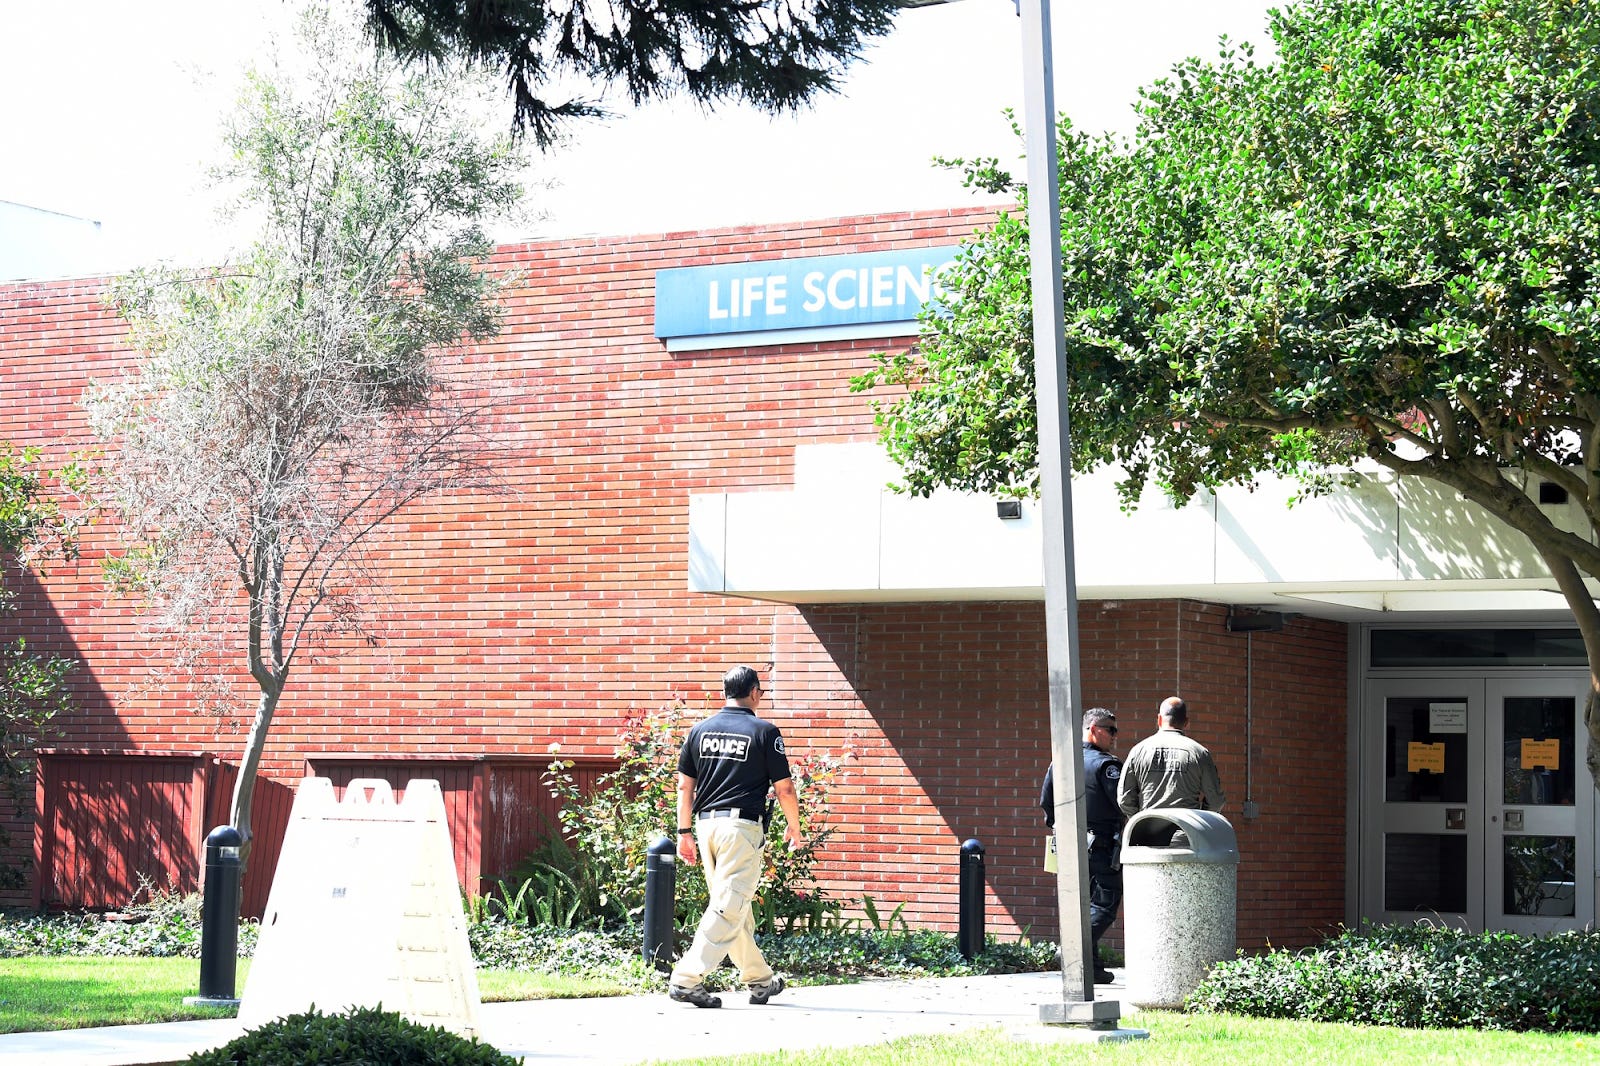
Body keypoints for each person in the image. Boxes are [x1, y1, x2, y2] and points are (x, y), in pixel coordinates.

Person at [668, 665, 802, 1009]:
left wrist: (684, 833)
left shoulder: (699, 731)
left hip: (705, 828)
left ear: (725, 692)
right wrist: (795, 826)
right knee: (729, 906)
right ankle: (686, 979)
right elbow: (785, 789)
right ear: (754, 692)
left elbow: (684, 787)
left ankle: (760, 981)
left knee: (732, 905)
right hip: (740, 829)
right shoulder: (764, 731)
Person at [1038, 707, 1125, 984]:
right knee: (1105, 904)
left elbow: (1047, 803)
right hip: (1101, 847)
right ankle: (1072, 948)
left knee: (1082, 905)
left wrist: (1062, 828)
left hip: (1069, 845)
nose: (1115, 736)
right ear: (1093, 730)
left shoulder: (1060, 762)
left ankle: (1091, 968)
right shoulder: (1107, 766)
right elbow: (1123, 804)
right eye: (1110, 730)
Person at [1116, 695, 1226, 819]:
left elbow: (1124, 798)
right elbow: (1216, 800)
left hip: (1147, 828)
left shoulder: (1138, 751)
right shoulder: (1200, 753)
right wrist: (1198, 819)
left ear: (1159, 719)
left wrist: (1140, 819)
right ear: (1186, 722)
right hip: (1186, 828)